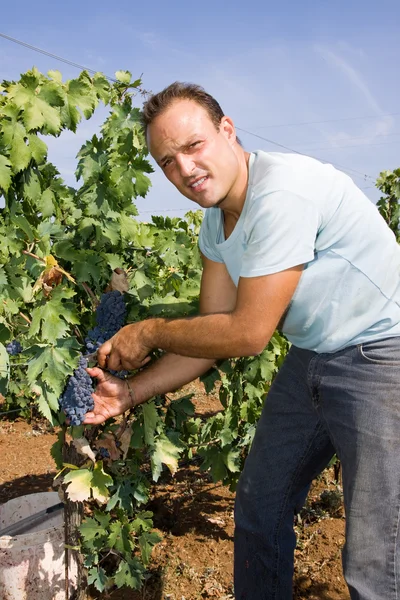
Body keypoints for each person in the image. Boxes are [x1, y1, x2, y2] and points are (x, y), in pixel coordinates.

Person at [84, 82, 400, 600]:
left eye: (193, 146)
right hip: (314, 355)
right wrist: (130, 392)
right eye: (167, 161)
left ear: (227, 130)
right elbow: (213, 333)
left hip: (382, 354)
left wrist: (147, 331)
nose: (184, 169)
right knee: (259, 505)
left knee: (376, 557)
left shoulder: (283, 192)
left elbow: (248, 333)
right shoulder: (216, 222)